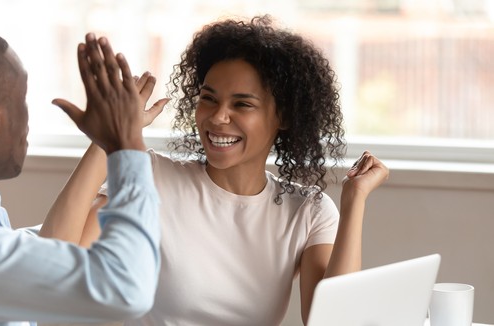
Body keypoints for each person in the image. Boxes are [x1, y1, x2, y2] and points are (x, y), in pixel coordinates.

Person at [44, 15, 390, 325]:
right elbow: (48, 268)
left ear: (283, 116)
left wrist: (354, 201)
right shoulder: (152, 179)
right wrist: (110, 138)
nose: (217, 117)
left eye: (242, 104)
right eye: (208, 98)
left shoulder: (308, 212)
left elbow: (331, 323)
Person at [0, 28, 167, 325]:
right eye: (22, 101)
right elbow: (125, 290)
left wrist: (111, 141)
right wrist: (125, 144)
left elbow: (45, 254)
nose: (27, 120)